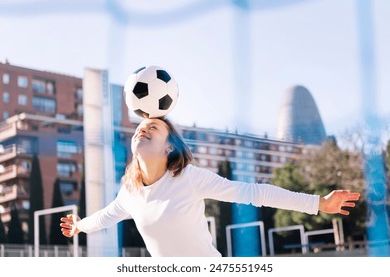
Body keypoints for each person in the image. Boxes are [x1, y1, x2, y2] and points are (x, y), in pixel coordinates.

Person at [60, 117, 360, 257]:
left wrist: (318, 203)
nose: (143, 129)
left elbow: (256, 193)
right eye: (140, 127)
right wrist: (79, 227)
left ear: (168, 148)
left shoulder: (189, 179)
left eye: (154, 127)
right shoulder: (130, 192)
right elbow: (105, 217)